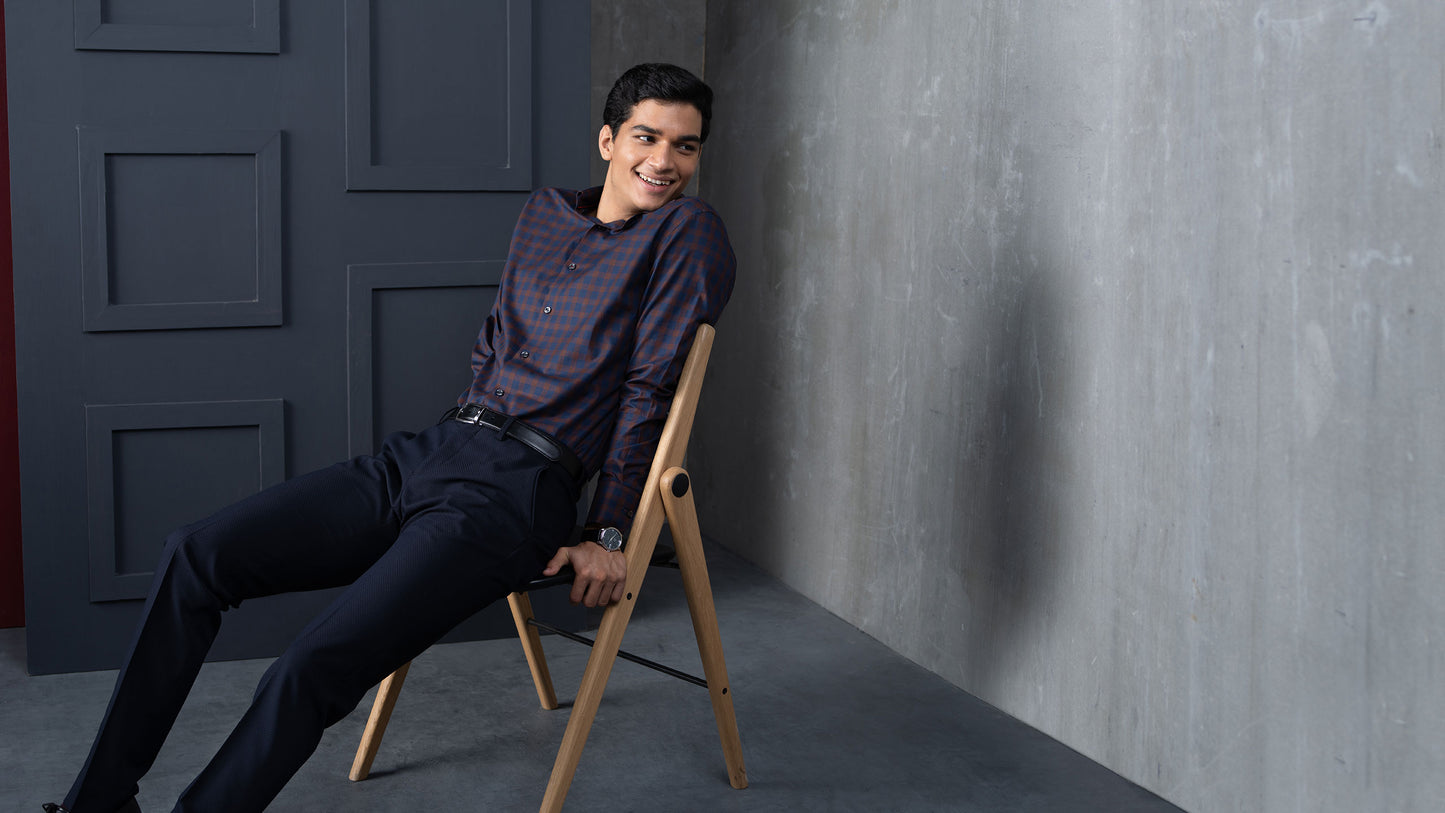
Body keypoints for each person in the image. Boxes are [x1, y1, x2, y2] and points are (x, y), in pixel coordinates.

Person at [45, 62, 735, 813]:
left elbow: (649, 389)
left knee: (309, 664)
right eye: (646, 137)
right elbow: (494, 342)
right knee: (194, 553)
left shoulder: (686, 230)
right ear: (607, 140)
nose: (665, 161)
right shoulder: (543, 214)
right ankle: (97, 803)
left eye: (686, 146)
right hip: (432, 452)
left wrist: (609, 530)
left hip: (515, 491)